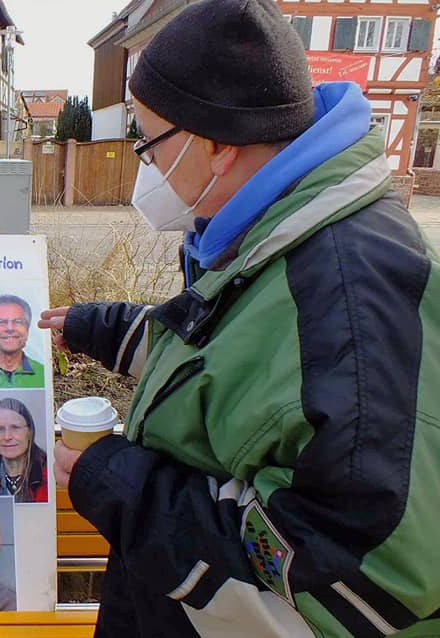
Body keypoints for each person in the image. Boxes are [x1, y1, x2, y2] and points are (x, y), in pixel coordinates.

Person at [39, 1, 440, 636]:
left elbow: (335, 579)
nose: (143, 163)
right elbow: (237, 364)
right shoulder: (278, 231)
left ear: (216, 144)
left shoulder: (353, 305)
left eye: (148, 142)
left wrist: (118, 483)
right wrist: (109, 330)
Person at [0, 398, 48, 503]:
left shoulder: (47, 475)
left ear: (29, 432)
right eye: (0, 429)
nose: (7, 437)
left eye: (15, 427)